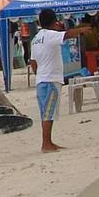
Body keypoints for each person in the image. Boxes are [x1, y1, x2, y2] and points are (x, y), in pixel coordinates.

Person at [31, 9, 66, 153]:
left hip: (41, 79)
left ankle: (49, 142)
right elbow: (66, 35)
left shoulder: (35, 39)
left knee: (46, 112)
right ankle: (46, 144)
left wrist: (39, 74)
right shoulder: (50, 35)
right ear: (54, 21)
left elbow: (33, 62)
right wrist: (82, 29)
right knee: (48, 113)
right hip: (51, 78)